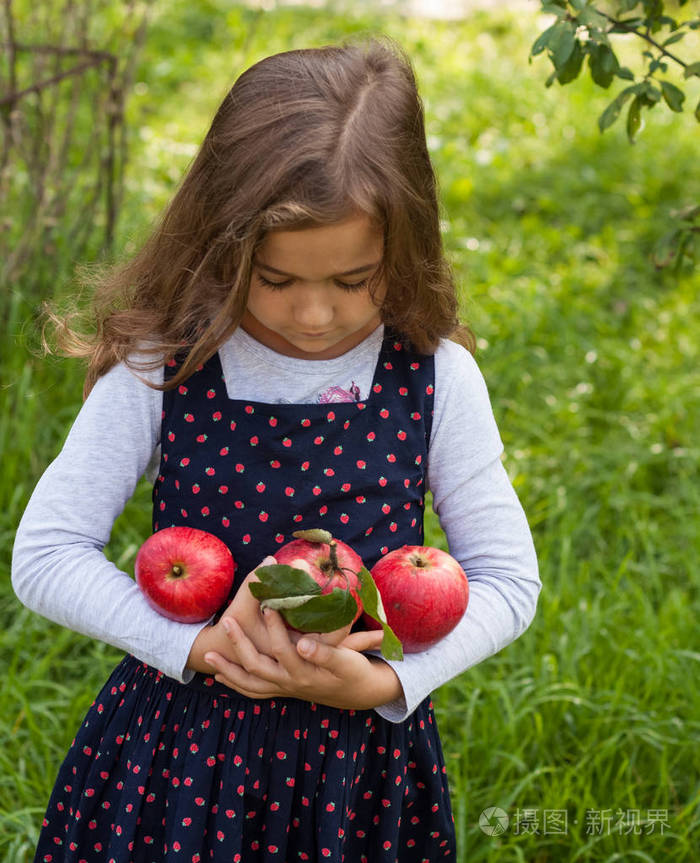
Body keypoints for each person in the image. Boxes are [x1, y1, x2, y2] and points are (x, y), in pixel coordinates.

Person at [12, 36, 541, 862]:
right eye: (277, 279)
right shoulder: (169, 365)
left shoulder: (435, 375)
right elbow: (46, 553)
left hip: (357, 767)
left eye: (354, 279)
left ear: (403, 249)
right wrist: (197, 646)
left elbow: (510, 578)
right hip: (177, 755)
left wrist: (391, 684)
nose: (315, 317)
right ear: (219, 245)